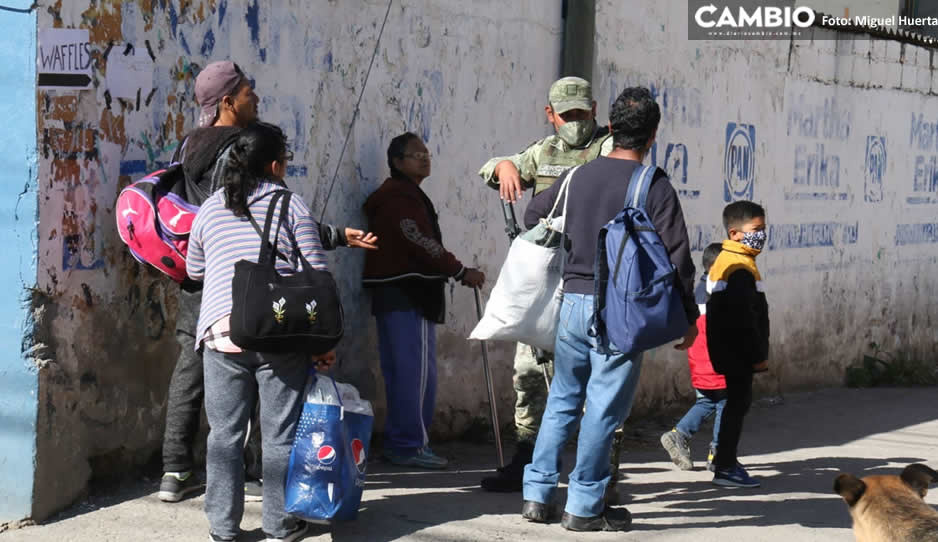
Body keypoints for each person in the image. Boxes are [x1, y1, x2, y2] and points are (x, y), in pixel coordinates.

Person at [159, 60, 376, 503]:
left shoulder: (189, 146)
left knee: (194, 375)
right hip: (243, 285)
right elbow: (263, 215)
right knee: (265, 374)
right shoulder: (237, 150)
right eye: (247, 92)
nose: (255, 96)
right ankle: (261, 480)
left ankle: (175, 470)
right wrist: (332, 237)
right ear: (227, 103)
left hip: (201, 282)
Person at [520, 87, 698, 532]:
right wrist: (689, 318)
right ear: (653, 135)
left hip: (571, 305)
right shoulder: (652, 184)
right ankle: (583, 505)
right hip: (619, 312)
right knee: (602, 410)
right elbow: (678, 256)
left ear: (612, 128)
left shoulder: (578, 176)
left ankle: (537, 496)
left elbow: (533, 216)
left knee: (562, 400)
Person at [187, 122, 331, 542]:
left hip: (221, 333)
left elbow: (195, 269)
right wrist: (324, 342)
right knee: (279, 435)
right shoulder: (290, 205)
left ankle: (222, 527)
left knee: (225, 435)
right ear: (274, 165)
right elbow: (317, 272)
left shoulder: (211, 207)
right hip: (279, 333)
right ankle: (279, 524)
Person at [476, 76, 616, 494]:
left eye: (581, 114)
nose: (575, 123)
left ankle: (598, 469)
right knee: (529, 371)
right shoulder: (545, 150)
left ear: (594, 110)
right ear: (550, 115)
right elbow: (498, 167)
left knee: (594, 377)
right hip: (545, 275)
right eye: (566, 115)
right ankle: (527, 457)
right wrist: (502, 165)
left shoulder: (607, 148)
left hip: (591, 273)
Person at [363, 132, 485, 469]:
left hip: (403, 295)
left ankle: (405, 442)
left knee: (407, 372)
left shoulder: (408, 195)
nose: (425, 158)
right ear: (398, 162)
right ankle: (408, 444)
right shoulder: (399, 199)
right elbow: (418, 241)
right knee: (413, 374)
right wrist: (460, 271)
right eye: (416, 155)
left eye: (427, 153)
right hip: (407, 294)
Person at [706, 201, 770, 489]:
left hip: (729, 348)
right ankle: (726, 467)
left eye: (763, 229)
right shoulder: (739, 267)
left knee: (733, 404)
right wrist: (757, 355)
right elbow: (745, 318)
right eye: (756, 230)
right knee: (736, 405)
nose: (762, 235)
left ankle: (724, 458)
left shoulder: (732, 260)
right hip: (738, 351)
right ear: (734, 233)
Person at [660, 242, 727, 472]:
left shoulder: (698, 289)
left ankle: (678, 435)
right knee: (726, 403)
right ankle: (719, 453)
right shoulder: (720, 291)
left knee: (708, 400)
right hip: (719, 360)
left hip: (700, 360)